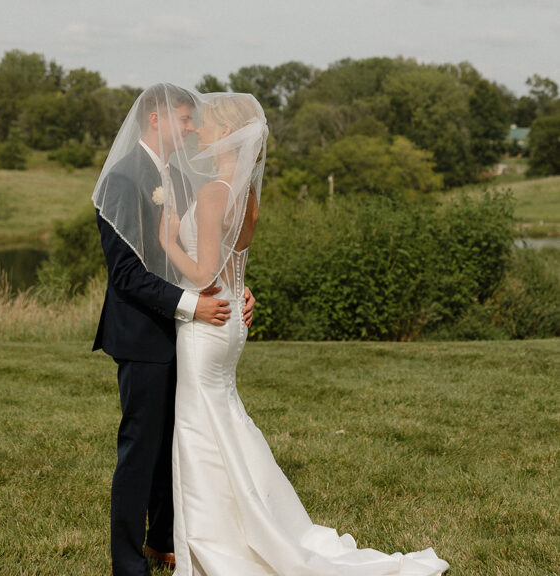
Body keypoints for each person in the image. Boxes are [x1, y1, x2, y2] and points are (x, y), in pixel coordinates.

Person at [158, 91, 449, 576]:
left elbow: (207, 274)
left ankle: (215, 544)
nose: (199, 130)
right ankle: (248, 526)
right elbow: (233, 267)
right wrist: (242, 290)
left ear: (227, 134)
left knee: (198, 429)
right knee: (225, 422)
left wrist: (169, 242)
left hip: (207, 326)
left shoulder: (212, 192)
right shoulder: (246, 194)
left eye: (207, 124)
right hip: (231, 322)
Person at [91, 84, 255, 576]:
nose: (191, 129)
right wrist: (194, 306)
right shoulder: (123, 179)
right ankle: (127, 560)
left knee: (175, 442)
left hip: (189, 326)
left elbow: (212, 245)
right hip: (143, 333)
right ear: (157, 119)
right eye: (185, 120)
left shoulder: (181, 177)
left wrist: (238, 286)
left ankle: (164, 538)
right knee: (140, 449)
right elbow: (125, 274)